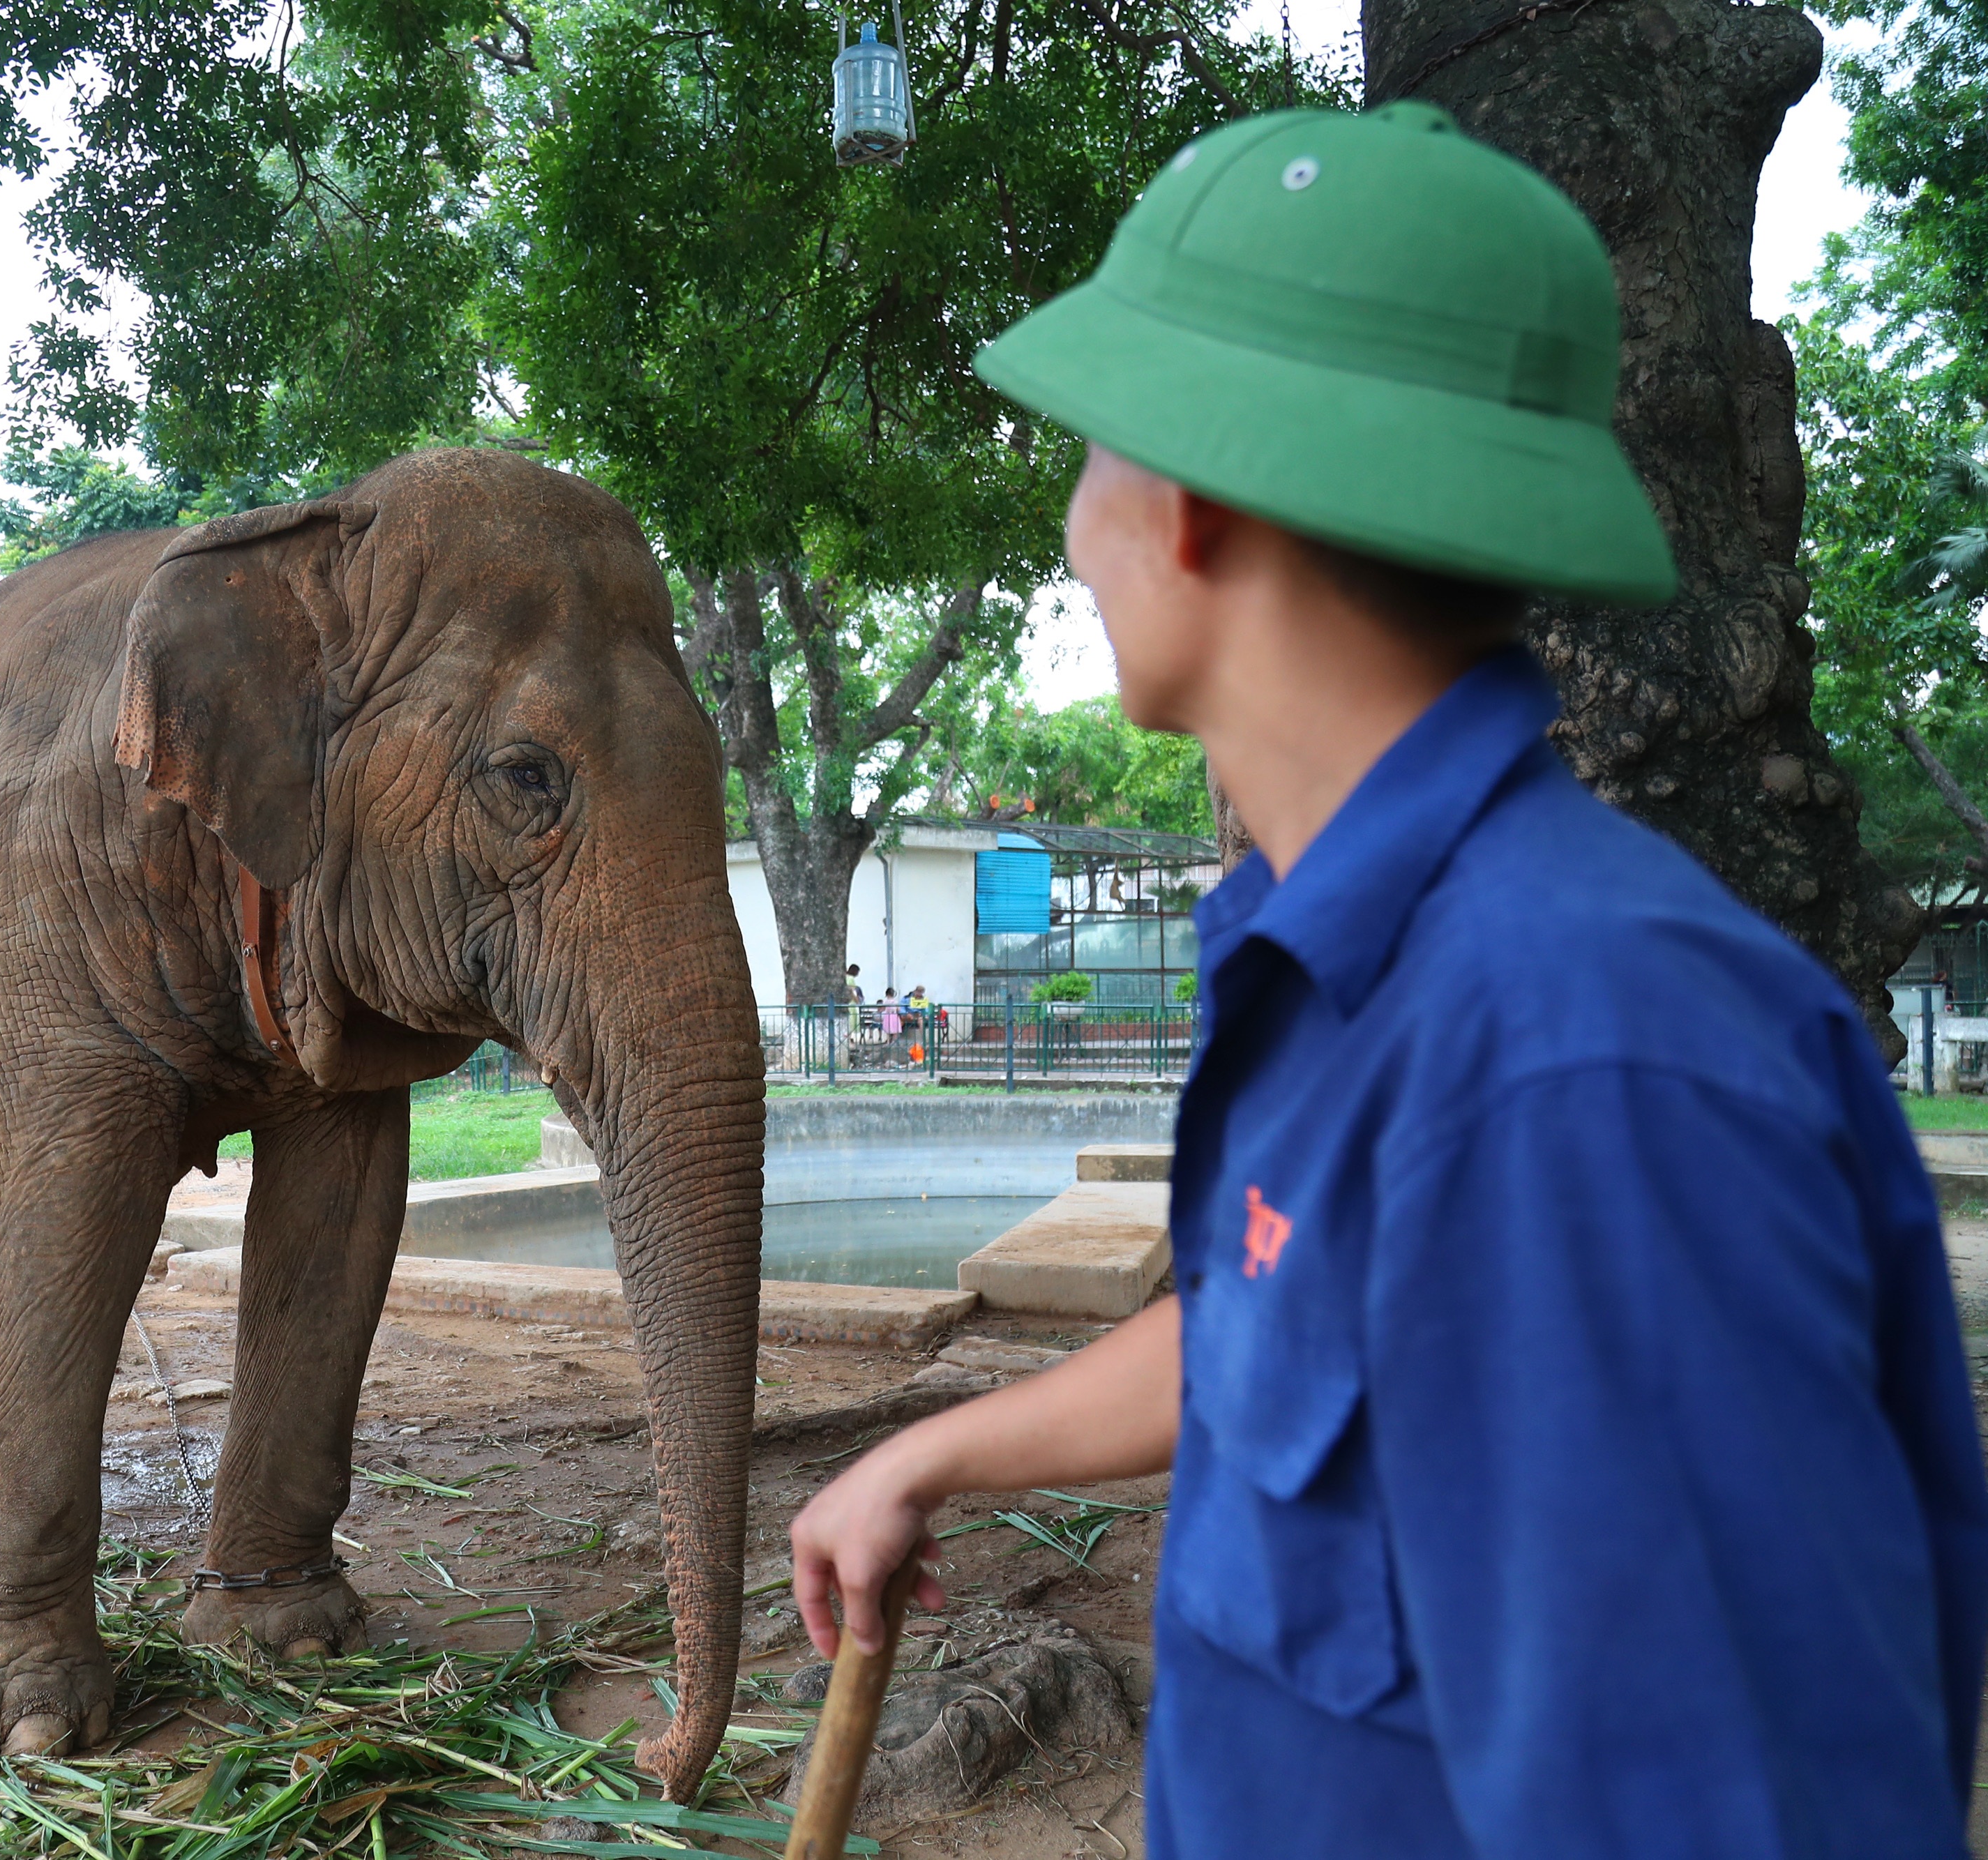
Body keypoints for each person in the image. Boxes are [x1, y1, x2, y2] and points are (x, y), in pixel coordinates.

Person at [789, 102, 1988, 1856]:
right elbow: (1291, 1323)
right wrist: (935, 1449)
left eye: (1088, 456)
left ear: (1187, 499)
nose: (1068, 530)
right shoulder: (1356, 966)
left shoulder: (1582, 1073)